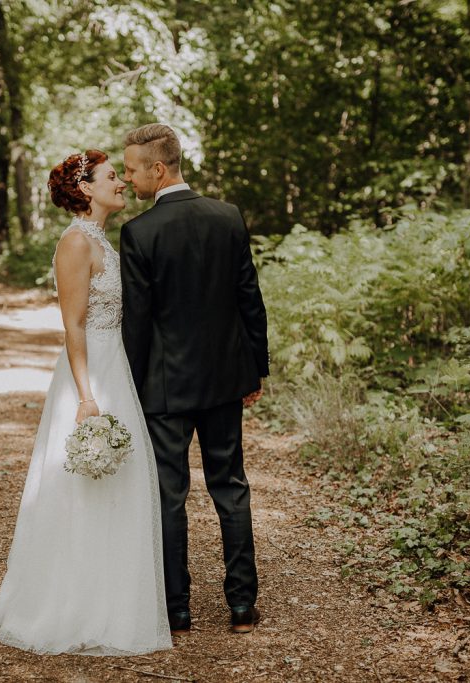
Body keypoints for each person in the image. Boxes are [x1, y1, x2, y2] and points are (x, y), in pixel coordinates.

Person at [0, 150, 172, 655]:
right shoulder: (74, 243)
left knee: (121, 485)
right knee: (82, 489)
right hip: (91, 375)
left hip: (119, 369)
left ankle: (111, 601)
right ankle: (68, 603)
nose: (121, 183)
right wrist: (87, 396)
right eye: (112, 177)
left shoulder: (103, 242)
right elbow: (73, 325)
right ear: (86, 188)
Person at [120, 123, 270, 635]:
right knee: (231, 487)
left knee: (169, 494)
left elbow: (137, 323)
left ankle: (176, 609)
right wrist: (255, 369)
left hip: (166, 387)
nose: (128, 178)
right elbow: (248, 297)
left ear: (158, 169)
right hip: (226, 378)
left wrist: (131, 386)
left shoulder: (140, 232)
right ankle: (242, 604)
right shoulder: (227, 216)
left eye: (133, 169)